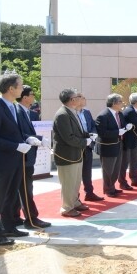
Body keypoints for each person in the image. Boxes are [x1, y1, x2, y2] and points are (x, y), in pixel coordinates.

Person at [0, 72, 29, 245]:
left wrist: (29, 139)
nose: (22, 88)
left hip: (15, 159)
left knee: (11, 196)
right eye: (20, 85)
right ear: (11, 88)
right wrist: (16, 146)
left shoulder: (13, 106)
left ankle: (8, 227)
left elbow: (13, 132)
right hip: (2, 161)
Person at [14, 85, 52, 229]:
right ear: (25, 97)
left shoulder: (25, 111)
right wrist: (38, 139)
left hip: (26, 156)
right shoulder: (18, 111)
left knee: (20, 188)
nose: (34, 96)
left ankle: (15, 217)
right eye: (32, 94)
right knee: (25, 189)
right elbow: (19, 133)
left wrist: (39, 138)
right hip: (22, 157)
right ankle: (31, 219)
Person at [52, 88, 92, 217]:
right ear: (72, 100)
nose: (80, 99)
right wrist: (84, 142)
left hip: (76, 153)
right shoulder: (62, 114)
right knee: (68, 182)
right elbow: (68, 137)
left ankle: (74, 202)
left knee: (75, 181)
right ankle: (67, 207)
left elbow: (78, 132)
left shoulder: (71, 112)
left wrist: (88, 136)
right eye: (77, 97)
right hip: (67, 155)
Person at [95, 93, 129, 198]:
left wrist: (126, 127)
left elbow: (122, 125)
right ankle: (108, 189)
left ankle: (112, 187)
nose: (122, 104)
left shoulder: (119, 114)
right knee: (108, 170)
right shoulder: (103, 115)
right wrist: (118, 132)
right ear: (114, 103)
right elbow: (102, 133)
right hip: (108, 146)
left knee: (116, 168)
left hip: (118, 144)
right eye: (120, 102)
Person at [76, 93, 104, 202]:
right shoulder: (72, 113)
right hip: (77, 146)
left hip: (88, 145)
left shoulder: (86, 112)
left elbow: (92, 125)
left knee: (87, 171)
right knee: (76, 173)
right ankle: (75, 197)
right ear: (77, 99)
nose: (85, 99)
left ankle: (89, 193)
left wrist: (93, 134)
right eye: (83, 98)